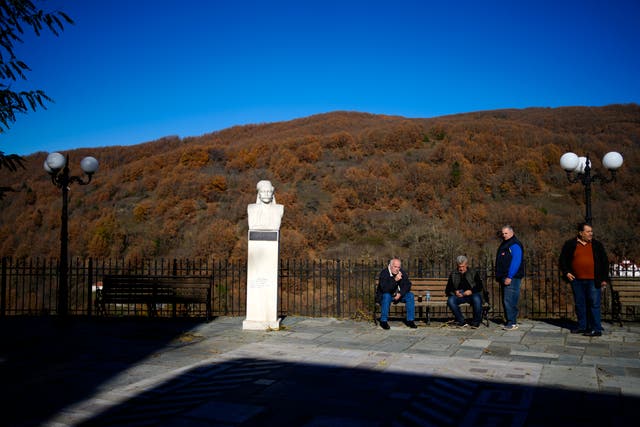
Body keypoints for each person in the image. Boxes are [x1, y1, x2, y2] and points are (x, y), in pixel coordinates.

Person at [559, 222, 610, 337]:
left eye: (591, 231)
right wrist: (567, 272)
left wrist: (604, 279)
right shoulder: (570, 244)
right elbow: (562, 260)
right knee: (580, 303)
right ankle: (582, 326)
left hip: (593, 280)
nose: (591, 233)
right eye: (588, 231)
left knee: (594, 304)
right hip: (577, 280)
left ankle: (596, 328)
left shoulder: (597, 245)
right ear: (581, 233)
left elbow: (604, 262)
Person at [495, 225, 524, 330]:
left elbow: (516, 261)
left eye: (506, 233)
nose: (504, 235)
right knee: (506, 300)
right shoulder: (506, 243)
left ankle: (512, 322)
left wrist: (510, 276)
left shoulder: (514, 244)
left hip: (511, 277)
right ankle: (509, 321)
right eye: (502, 233)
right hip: (505, 277)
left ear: (512, 233)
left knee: (510, 300)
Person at [376, 258, 417, 330]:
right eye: (395, 267)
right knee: (386, 296)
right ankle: (383, 321)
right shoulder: (384, 273)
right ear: (390, 266)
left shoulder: (401, 272)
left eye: (398, 267)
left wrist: (400, 294)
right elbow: (385, 289)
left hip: (399, 295)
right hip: (387, 296)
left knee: (410, 295)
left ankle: (410, 320)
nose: (397, 269)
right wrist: (395, 280)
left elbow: (408, 285)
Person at [446, 255, 484, 328]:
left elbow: (479, 286)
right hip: (459, 295)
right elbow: (448, 289)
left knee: (477, 299)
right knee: (450, 300)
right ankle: (461, 321)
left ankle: (476, 322)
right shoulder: (453, 273)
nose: (461, 269)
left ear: (466, 265)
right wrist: (455, 292)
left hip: (471, 294)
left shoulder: (473, 272)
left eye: (463, 266)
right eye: (459, 266)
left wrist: (471, 291)